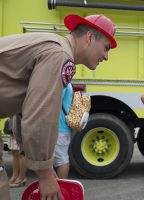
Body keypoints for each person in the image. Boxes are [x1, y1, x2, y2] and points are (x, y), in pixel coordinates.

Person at [0, 13, 117, 199]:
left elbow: (23, 111)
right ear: (90, 37)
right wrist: (45, 174)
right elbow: (40, 115)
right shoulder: (60, 55)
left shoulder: (55, 46)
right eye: (106, 47)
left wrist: (41, 165)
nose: (106, 56)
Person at [54, 83, 73, 179]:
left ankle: (61, 187)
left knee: (61, 159)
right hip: (62, 126)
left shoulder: (62, 82)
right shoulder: (66, 82)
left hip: (59, 126)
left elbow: (54, 100)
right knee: (60, 158)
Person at [8, 116, 27, 188]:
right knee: (14, 152)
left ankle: (22, 177)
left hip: (20, 123)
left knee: (21, 153)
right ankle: (15, 175)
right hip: (13, 122)